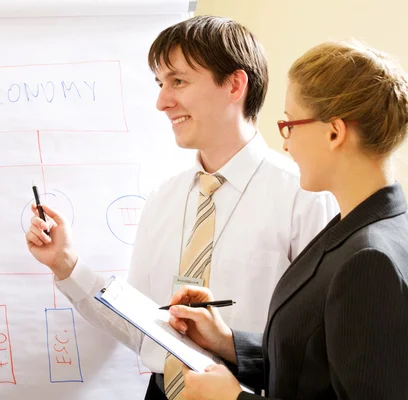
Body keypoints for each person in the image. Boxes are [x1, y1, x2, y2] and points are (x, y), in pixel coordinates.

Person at [25, 16, 338, 399]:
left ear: (234, 85)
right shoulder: (163, 199)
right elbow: (142, 328)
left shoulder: (305, 197)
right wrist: (66, 264)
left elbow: (319, 350)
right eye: (160, 84)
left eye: (178, 81)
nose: (162, 102)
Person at [166, 40, 408, 400]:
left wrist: (234, 399)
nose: (285, 143)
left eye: (289, 124)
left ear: (334, 132)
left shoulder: (369, 259)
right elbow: (315, 366)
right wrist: (229, 343)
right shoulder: (357, 226)